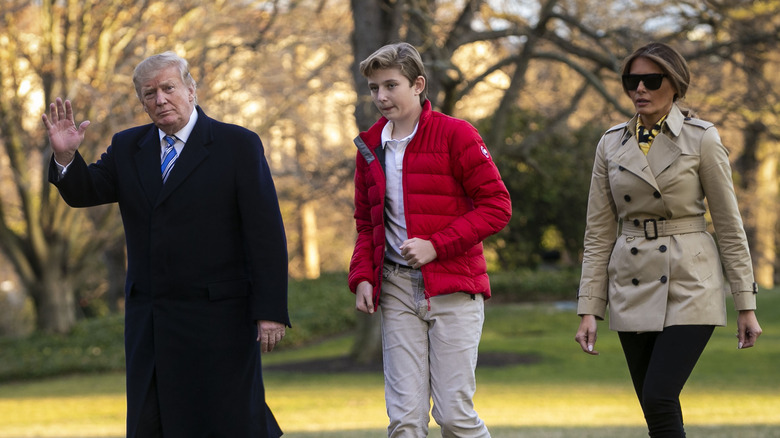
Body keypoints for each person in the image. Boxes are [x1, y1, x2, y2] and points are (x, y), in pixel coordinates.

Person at [42, 51, 289, 438]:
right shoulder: (128, 147)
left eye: (168, 88)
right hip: (152, 319)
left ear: (191, 90)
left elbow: (266, 233)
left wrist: (270, 309)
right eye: (149, 93)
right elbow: (85, 191)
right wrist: (65, 156)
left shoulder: (236, 144)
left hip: (219, 317)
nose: (160, 100)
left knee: (230, 421)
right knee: (154, 423)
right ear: (142, 101)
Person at [574, 42, 762, 437]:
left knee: (659, 395)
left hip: (691, 281)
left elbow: (728, 224)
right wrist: (589, 306)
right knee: (655, 408)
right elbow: (598, 231)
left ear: (674, 84)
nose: (639, 89)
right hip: (631, 281)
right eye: (632, 81)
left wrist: (746, 302)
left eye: (651, 80)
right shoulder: (610, 143)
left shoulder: (702, 139)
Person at [348, 42, 512, 438]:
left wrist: (436, 245)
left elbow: (497, 206)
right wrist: (363, 276)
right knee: (405, 421)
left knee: (454, 415)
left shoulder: (456, 134)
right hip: (397, 287)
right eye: (373, 88)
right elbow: (366, 223)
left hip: (453, 286)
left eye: (391, 85)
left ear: (418, 84)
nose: (381, 97)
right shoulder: (369, 146)